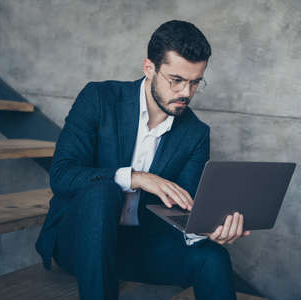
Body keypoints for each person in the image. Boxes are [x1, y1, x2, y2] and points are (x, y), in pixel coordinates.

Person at [35, 20, 250, 300]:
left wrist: (208, 230)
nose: (186, 92)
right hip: (78, 241)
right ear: (149, 68)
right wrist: (136, 177)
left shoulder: (196, 133)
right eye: (177, 80)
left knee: (213, 258)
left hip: (138, 244)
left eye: (195, 82)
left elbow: (184, 211)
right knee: (103, 191)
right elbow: (62, 175)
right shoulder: (99, 98)